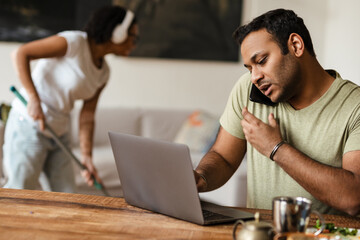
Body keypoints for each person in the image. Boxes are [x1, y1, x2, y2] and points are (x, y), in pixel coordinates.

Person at [194, 8, 360, 216]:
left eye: (261, 61)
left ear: (296, 46)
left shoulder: (355, 106)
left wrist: (276, 148)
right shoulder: (248, 89)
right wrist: (201, 177)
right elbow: (223, 157)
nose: (255, 76)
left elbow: (353, 198)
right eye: (249, 68)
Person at [3, 5, 139, 192]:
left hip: (59, 130)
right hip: (29, 124)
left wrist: (87, 157)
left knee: (66, 196)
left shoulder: (103, 73)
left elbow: (87, 116)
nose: (135, 43)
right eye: (134, 37)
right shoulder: (74, 42)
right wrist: (34, 99)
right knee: (21, 191)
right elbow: (21, 54)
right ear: (117, 32)